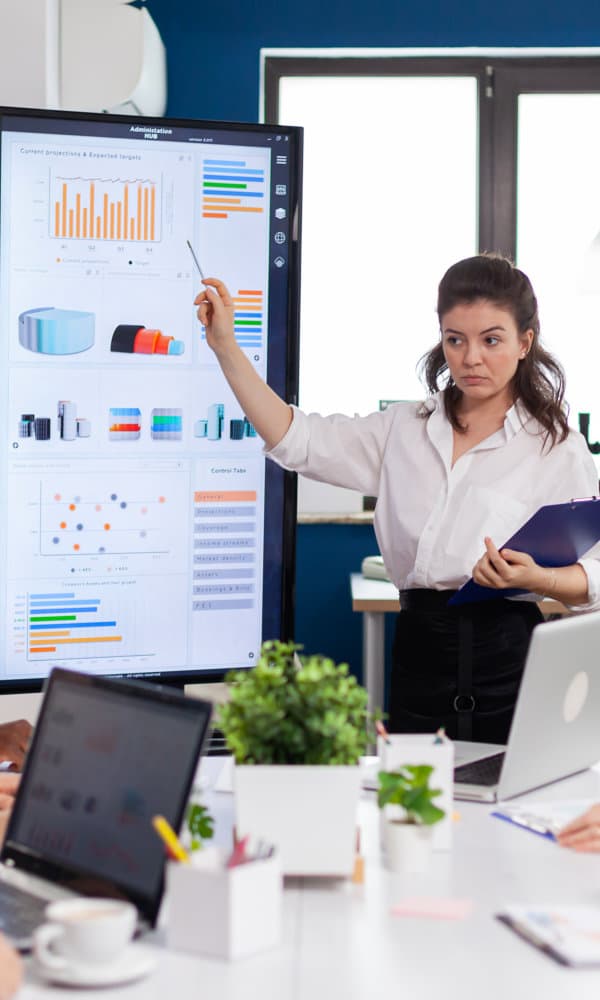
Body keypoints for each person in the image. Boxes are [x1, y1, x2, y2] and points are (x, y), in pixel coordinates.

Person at [194, 254, 600, 743]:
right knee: (412, 808)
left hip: (508, 667)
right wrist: (226, 349)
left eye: (491, 340)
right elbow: (295, 438)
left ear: (524, 342)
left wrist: (538, 577)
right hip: (417, 660)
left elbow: (593, 574)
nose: (471, 358)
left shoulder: (555, 446)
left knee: (502, 811)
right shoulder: (403, 429)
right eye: (456, 339)